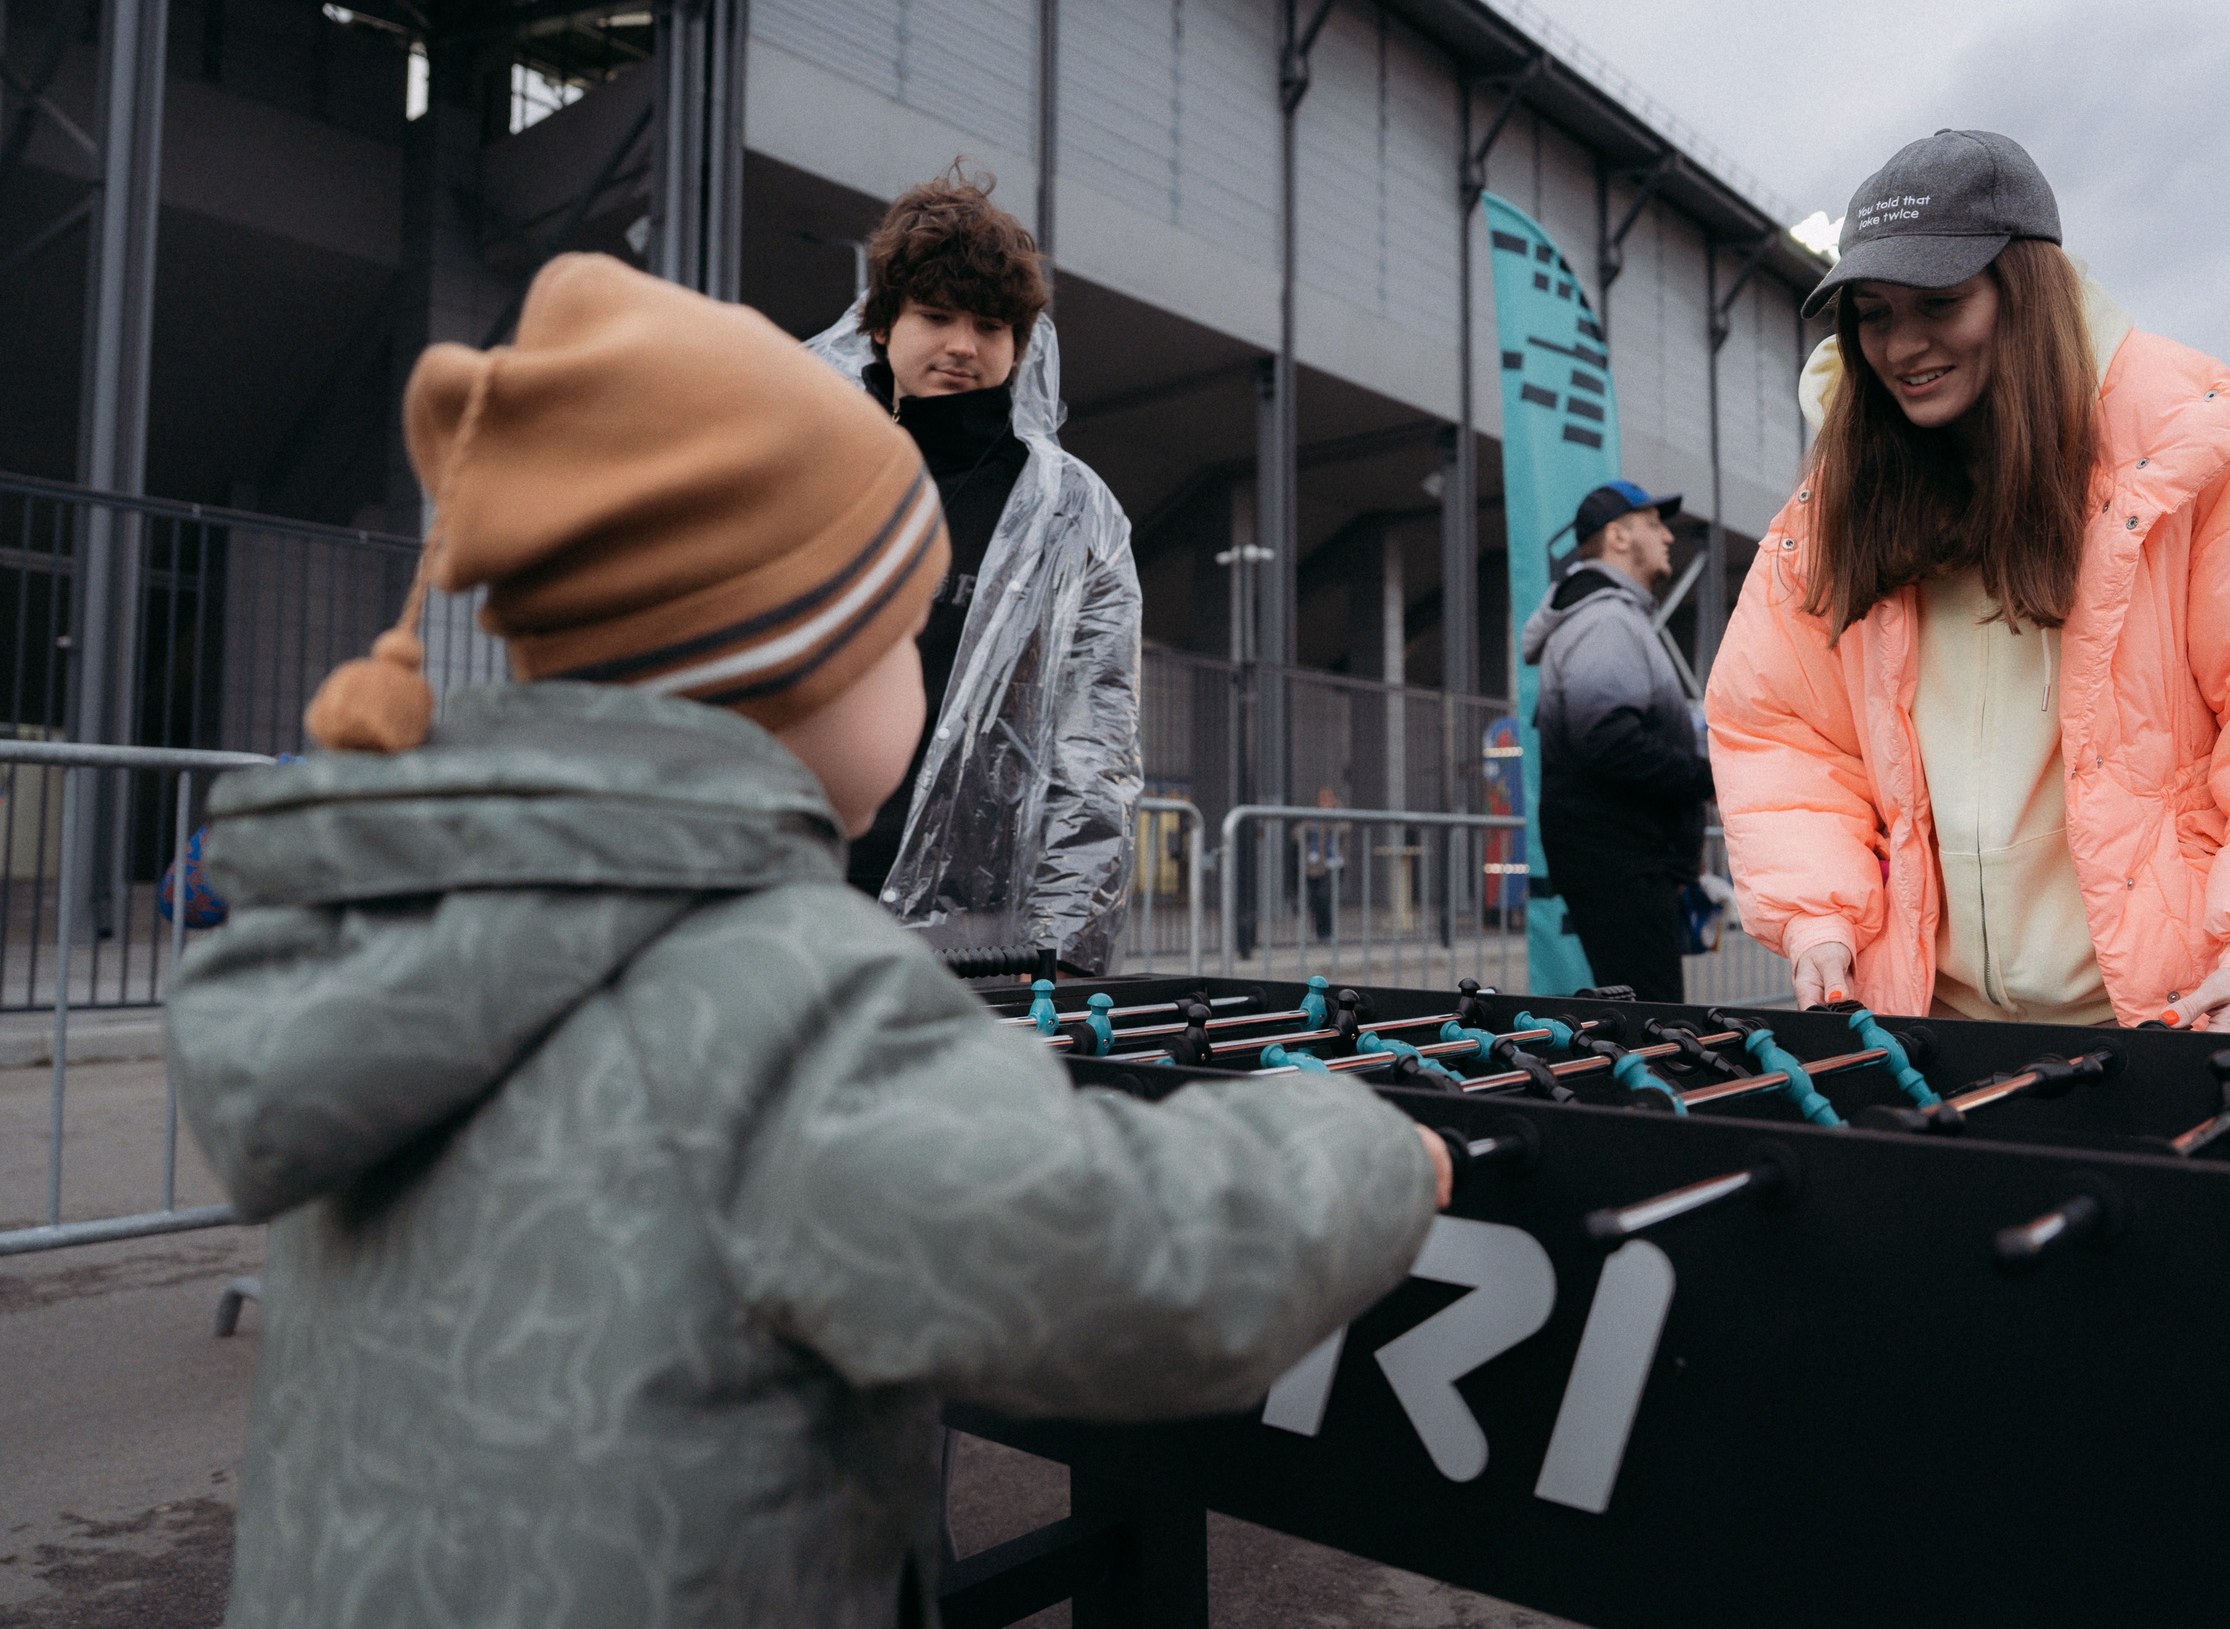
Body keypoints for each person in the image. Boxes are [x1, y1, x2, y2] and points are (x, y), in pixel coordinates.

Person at [167, 255, 1448, 1625]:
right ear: (789, 666)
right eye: (900, 641)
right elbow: (1127, 1263)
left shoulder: (404, 917)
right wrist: (1358, 1143)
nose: (927, 689)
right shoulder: (776, 991)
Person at [1706, 129, 2230, 1037]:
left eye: (1940, 301)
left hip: (2184, 1029)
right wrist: (1817, 912)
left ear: (2024, 291)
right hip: (1932, 1037)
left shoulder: (2194, 465)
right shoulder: (1835, 505)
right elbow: (1780, 728)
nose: (1901, 344)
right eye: (1873, 312)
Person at [807, 166, 1140, 975]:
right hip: (794, 898)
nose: (963, 344)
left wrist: (1060, 954)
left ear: (1020, 344)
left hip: (979, 934)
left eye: (990, 326)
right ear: (881, 324)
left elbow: (1092, 751)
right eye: (936, 315)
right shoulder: (804, 463)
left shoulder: (1073, 516)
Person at [1520, 479, 1716, 1003]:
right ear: (1618, 537)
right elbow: (1607, 740)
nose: (1668, 538)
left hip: (1624, 863)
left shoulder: (1612, 617)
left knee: (1640, 1023)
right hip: (1621, 865)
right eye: (1654, 524)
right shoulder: (1605, 621)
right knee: (1654, 1031)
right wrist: (1708, 779)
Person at [1301, 784, 1346, 942]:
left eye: (1328, 799)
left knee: (1325, 897)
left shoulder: (1339, 815)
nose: (1325, 802)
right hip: (1314, 865)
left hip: (1333, 864)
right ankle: (1321, 933)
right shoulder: (1312, 816)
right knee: (1315, 901)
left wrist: (1327, 819)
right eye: (1322, 799)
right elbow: (1297, 833)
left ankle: (1328, 932)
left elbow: (1344, 829)